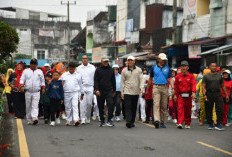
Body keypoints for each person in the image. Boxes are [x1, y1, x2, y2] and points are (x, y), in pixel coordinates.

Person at [147, 53, 174, 128]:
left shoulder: (167, 68)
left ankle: (162, 121)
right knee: (156, 104)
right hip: (156, 87)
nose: (164, 61)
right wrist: (147, 89)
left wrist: (173, 88)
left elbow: (171, 78)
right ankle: (156, 120)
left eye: (165, 60)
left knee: (164, 105)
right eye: (162, 59)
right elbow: (150, 79)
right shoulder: (153, 68)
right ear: (159, 59)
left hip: (165, 87)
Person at [202, 62, 229, 131]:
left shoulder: (219, 76)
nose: (214, 67)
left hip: (218, 94)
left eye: (215, 66)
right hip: (209, 94)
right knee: (209, 109)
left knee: (220, 109)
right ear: (209, 67)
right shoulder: (206, 76)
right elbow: (203, 87)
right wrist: (204, 95)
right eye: (212, 66)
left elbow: (223, 86)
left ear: (216, 67)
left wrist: (226, 95)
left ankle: (218, 124)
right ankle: (210, 123)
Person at [20, 59, 45, 125]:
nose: (33, 65)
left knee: (35, 105)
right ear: (30, 64)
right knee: (28, 105)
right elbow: (22, 79)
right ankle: (29, 119)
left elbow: (42, 81)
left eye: (35, 64)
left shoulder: (40, 71)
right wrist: (22, 86)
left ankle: (34, 117)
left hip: (36, 91)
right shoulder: (26, 71)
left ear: (37, 64)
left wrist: (43, 88)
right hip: (28, 91)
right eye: (32, 64)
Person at [121, 56, 144, 128]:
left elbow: (141, 79)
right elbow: (122, 82)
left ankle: (132, 121)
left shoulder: (139, 70)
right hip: (127, 91)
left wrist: (141, 88)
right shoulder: (124, 71)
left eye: (131, 60)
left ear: (134, 61)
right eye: (129, 61)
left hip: (136, 91)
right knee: (127, 106)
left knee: (134, 107)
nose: (130, 62)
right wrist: (122, 92)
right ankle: (128, 121)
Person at [94, 56, 116, 127]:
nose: (106, 62)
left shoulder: (111, 70)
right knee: (100, 106)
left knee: (111, 104)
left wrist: (114, 90)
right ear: (101, 61)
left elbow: (113, 81)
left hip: (109, 90)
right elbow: (96, 80)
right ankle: (102, 120)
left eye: (107, 61)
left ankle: (110, 120)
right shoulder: (98, 70)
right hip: (100, 90)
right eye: (104, 61)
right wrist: (96, 89)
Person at [60, 62, 84, 126]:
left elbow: (81, 85)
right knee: (68, 107)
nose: (71, 68)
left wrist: (82, 93)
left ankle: (76, 120)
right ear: (68, 67)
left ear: (75, 68)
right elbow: (59, 83)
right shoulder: (64, 75)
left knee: (75, 105)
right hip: (66, 93)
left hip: (75, 92)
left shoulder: (78, 75)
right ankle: (68, 120)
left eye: (73, 67)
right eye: (70, 67)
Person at [174, 61, 196, 129]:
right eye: (182, 66)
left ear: (188, 67)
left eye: (185, 66)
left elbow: (193, 84)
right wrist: (175, 95)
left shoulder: (191, 76)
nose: (183, 67)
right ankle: (180, 122)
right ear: (180, 67)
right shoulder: (177, 77)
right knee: (180, 109)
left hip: (188, 95)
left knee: (188, 110)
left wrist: (194, 93)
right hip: (180, 95)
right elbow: (176, 86)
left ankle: (187, 123)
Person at [76, 55, 96, 125]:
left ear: (88, 59)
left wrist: (95, 88)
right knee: (82, 103)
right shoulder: (78, 68)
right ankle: (83, 118)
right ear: (81, 60)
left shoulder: (92, 67)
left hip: (90, 87)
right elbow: (77, 79)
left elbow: (95, 78)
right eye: (83, 59)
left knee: (89, 103)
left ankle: (87, 116)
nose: (85, 60)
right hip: (82, 87)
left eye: (86, 58)